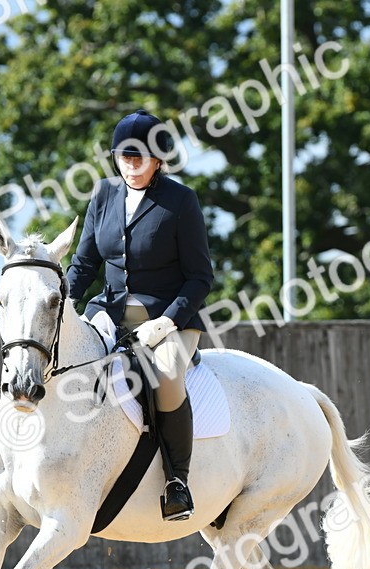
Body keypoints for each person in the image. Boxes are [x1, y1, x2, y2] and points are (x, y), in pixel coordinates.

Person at [66, 108, 215, 522]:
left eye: (139, 158)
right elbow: (83, 263)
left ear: (158, 160)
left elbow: (201, 277)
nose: (131, 166)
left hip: (167, 319)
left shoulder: (180, 201)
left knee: (166, 376)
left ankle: (176, 482)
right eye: (124, 158)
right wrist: (62, 302)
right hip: (108, 310)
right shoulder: (103, 196)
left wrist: (167, 321)